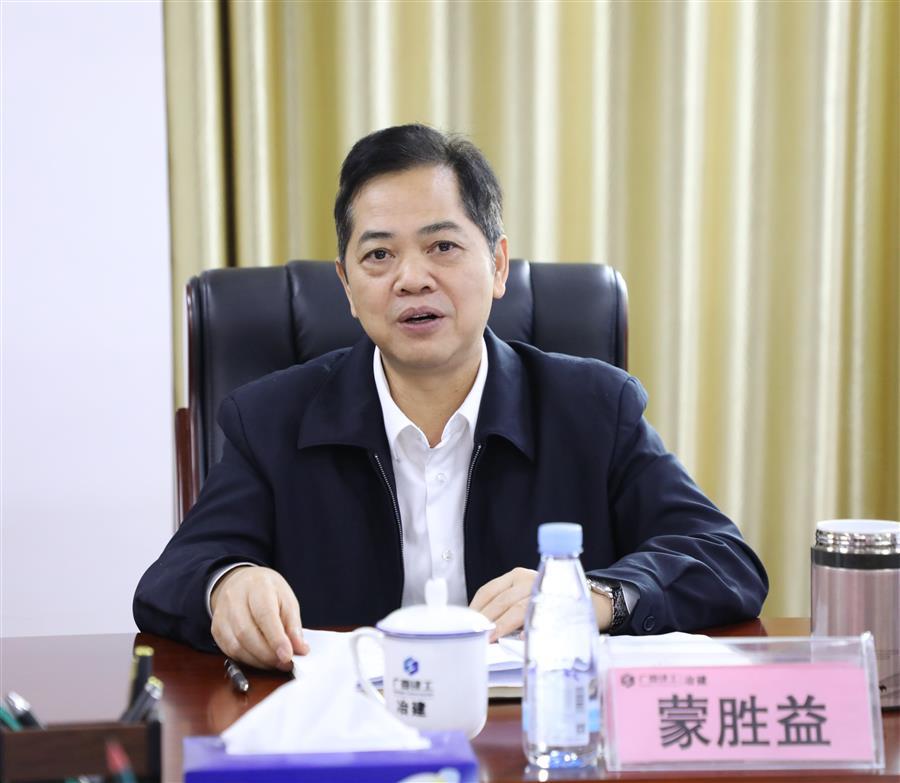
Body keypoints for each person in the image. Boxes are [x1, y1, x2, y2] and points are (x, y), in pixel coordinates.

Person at [134, 124, 768, 672]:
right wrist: (227, 583)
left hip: (531, 732)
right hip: (351, 732)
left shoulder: (594, 408)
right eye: (379, 254)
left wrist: (591, 595)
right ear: (347, 287)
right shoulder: (270, 419)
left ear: (497, 266)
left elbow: (723, 560)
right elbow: (173, 577)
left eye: (442, 246)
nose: (412, 278)